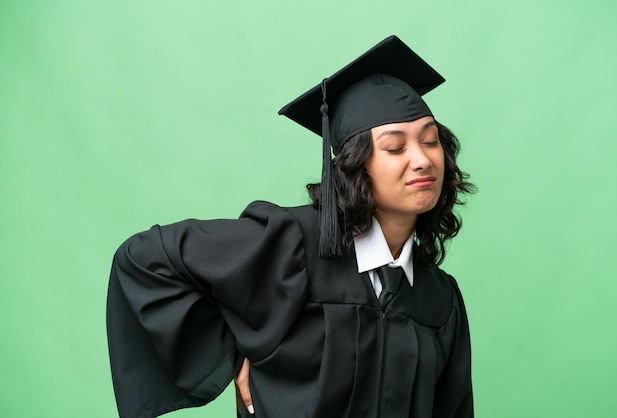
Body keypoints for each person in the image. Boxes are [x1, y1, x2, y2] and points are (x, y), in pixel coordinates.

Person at [107, 35, 476, 418]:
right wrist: (231, 357)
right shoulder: (290, 245)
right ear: (355, 164)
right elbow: (144, 259)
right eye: (395, 147)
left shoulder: (440, 300)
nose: (422, 160)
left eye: (430, 141)